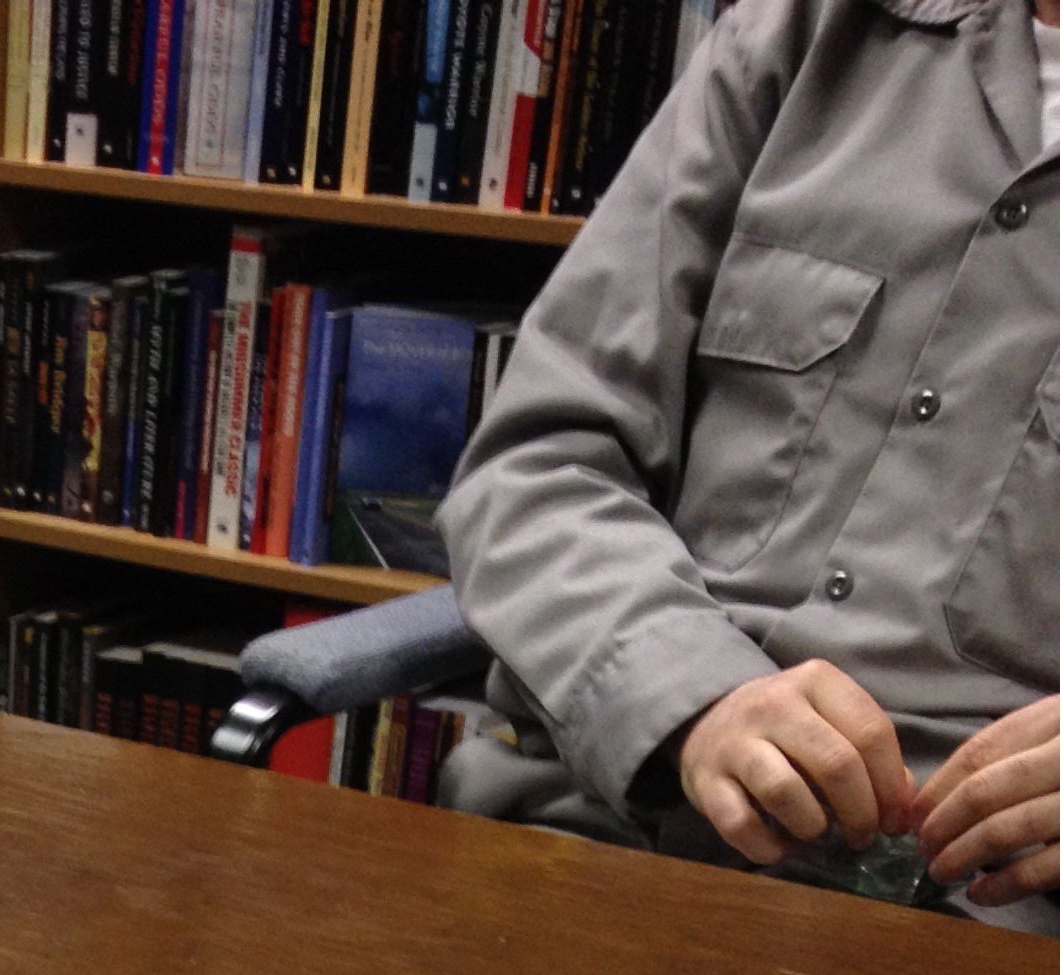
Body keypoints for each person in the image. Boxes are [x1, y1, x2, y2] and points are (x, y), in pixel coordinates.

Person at [436, 0, 1058, 915]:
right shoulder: (792, 36)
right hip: (611, 820)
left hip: (987, 914)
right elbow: (536, 465)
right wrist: (693, 696)